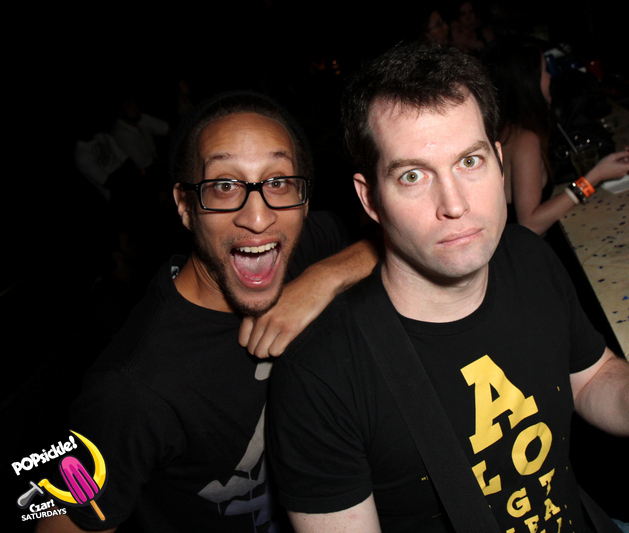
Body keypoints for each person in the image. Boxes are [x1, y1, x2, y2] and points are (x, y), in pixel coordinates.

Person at [267, 43, 629, 533]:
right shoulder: (319, 377)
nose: (455, 204)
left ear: (498, 163)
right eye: (413, 176)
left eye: (469, 161)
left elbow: (592, 377)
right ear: (369, 198)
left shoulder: (526, 257)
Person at [36, 91, 378, 533]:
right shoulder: (129, 389)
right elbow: (59, 521)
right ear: (185, 206)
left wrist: (325, 277)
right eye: (224, 186)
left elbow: (391, 243)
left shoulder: (310, 246)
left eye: (277, 181)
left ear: (304, 198)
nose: (258, 218)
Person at [483, 38, 629, 235]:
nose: (550, 77)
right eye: (545, 71)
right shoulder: (524, 139)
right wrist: (595, 177)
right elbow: (530, 223)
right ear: (529, 83)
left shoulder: (506, 129)